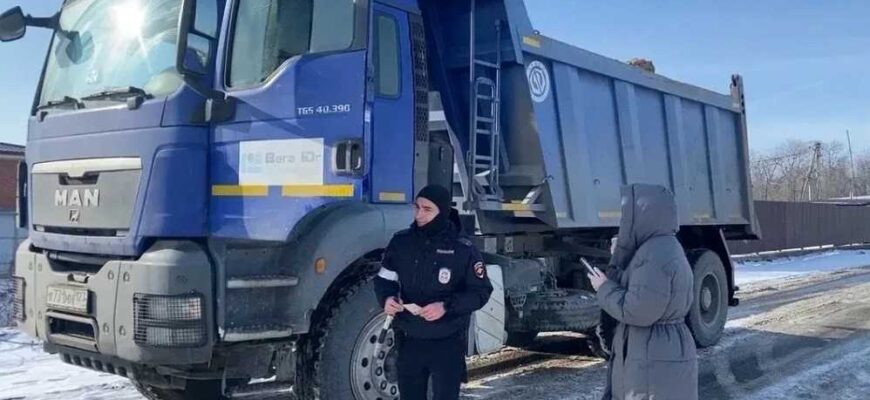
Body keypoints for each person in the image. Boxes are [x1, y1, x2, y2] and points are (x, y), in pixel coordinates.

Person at [374, 184, 494, 400]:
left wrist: (446, 306)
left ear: (443, 212)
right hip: (409, 340)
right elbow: (384, 278)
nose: (419, 214)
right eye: (417, 207)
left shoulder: (463, 249)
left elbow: (481, 292)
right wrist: (387, 298)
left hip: (447, 343)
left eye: (427, 209)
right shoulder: (401, 242)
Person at [587, 184, 698, 400]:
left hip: (652, 353)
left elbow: (638, 311)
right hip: (655, 351)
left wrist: (603, 287)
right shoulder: (661, 247)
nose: (624, 221)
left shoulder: (655, 255)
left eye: (628, 214)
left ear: (643, 216)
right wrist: (620, 255)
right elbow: (639, 288)